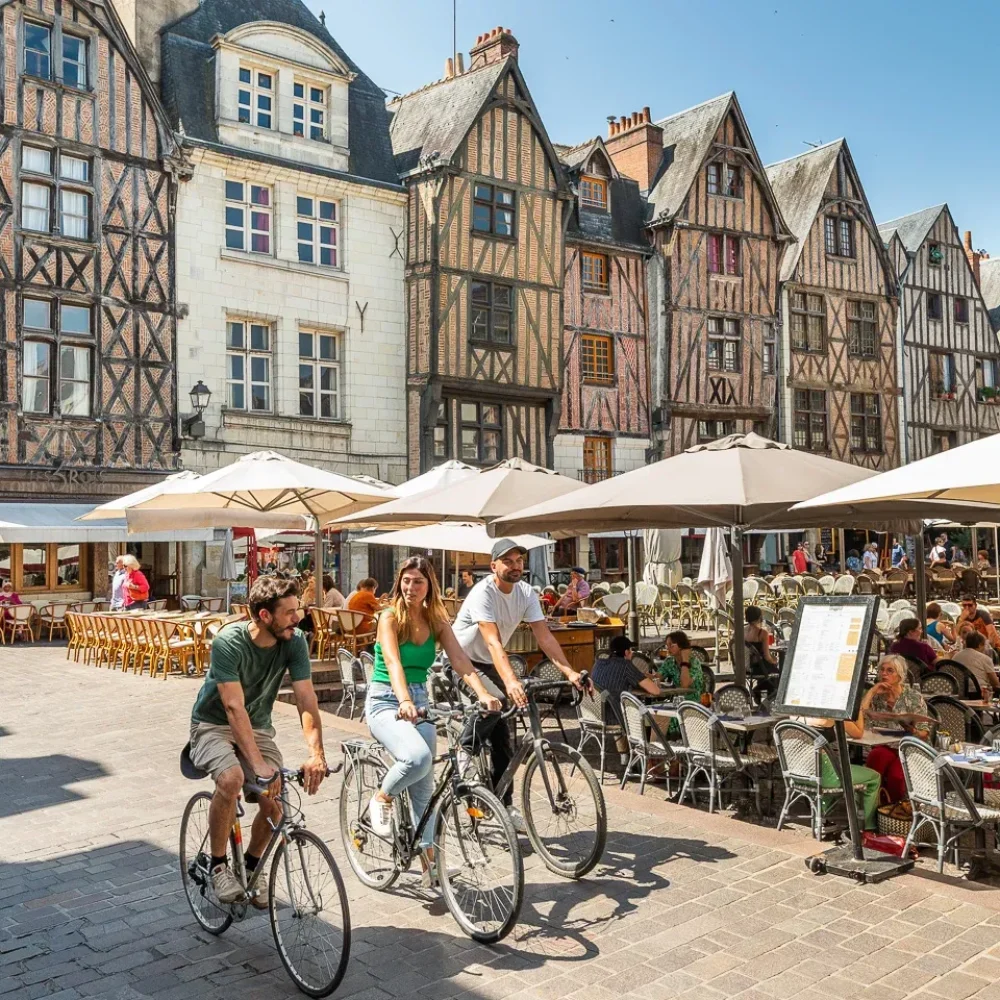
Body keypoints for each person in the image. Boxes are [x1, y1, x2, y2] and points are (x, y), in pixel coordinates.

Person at [188, 575, 328, 907]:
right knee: (232, 778)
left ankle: (251, 865)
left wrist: (316, 753)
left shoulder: (294, 641)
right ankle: (218, 865)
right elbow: (233, 707)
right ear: (264, 616)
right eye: (289, 612)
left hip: (258, 727)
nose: (298, 618)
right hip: (213, 724)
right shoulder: (229, 642)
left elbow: (306, 699)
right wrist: (257, 764)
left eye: (297, 609)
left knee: (276, 799)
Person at [366, 557, 500, 886]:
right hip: (386, 699)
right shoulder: (389, 617)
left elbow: (460, 660)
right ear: (399, 582)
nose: (411, 587)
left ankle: (429, 867)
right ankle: (382, 797)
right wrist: (404, 701)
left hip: (420, 701)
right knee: (417, 758)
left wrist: (483, 693)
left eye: (418, 581)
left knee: (424, 789)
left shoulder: (436, 619)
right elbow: (393, 663)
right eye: (406, 580)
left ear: (429, 586)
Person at [451, 539, 587, 831]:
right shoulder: (483, 593)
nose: (515, 566)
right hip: (462, 662)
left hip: (489, 663)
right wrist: (511, 680)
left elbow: (544, 636)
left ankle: (504, 804)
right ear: (493, 566)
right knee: (495, 702)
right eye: (508, 561)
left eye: (519, 561)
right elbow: (492, 641)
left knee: (504, 739)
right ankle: (464, 751)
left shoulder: (526, 592)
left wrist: (569, 672)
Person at [862, 655, 932, 803]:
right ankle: (873, 806)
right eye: (882, 670)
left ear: (900, 675)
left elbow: (924, 733)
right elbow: (861, 718)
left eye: (890, 671)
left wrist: (913, 731)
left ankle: (892, 809)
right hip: (885, 745)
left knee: (896, 776)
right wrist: (871, 692)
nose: (884, 674)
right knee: (875, 759)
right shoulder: (877, 697)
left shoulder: (913, 697)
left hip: (910, 747)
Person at [591, 636, 662, 740]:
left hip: (593, 714)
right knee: (653, 715)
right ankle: (646, 746)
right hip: (615, 717)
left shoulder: (598, 663)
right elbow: (655, 691)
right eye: (631, 650)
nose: (632, 653)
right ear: (626, 652)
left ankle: (628, 748)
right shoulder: (626, 666)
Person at [657, 631, 706, 736]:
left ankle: (670, 741)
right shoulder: (669, 662)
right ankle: (659, 743)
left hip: (693, 705)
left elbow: (684, 684)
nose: (668, 648)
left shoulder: (694, 662)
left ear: (681, 646)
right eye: (667, 645)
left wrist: (685, 661)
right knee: (655, 713)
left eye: (671, 645)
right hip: (676, 703)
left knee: (664, 719)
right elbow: (658, 677)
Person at [953, 631, 1000, 698]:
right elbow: (995, 684)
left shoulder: (955, 657)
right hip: (979, 694)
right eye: (984, 645)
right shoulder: (985, 659)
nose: (984, 648)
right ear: (980, 645)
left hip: (958, 694)